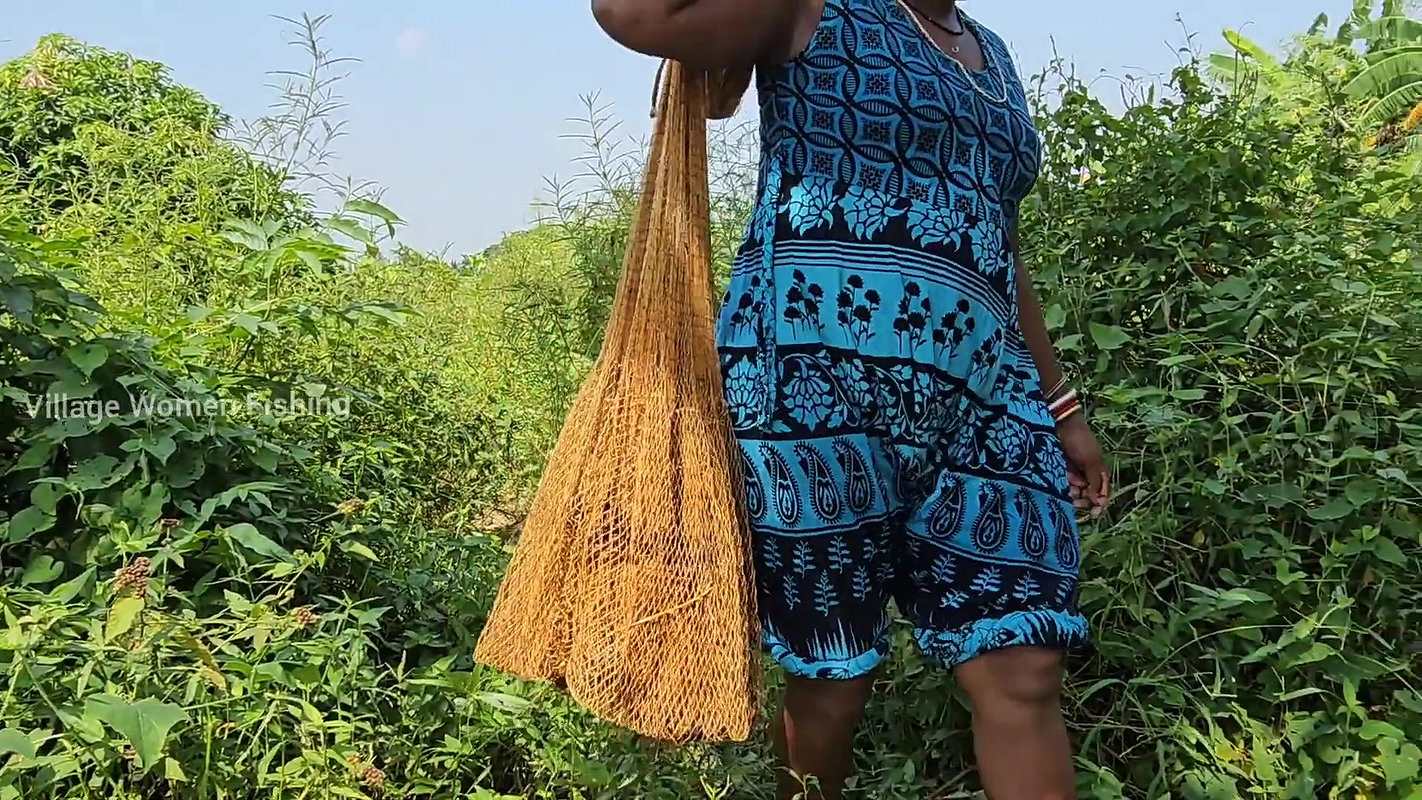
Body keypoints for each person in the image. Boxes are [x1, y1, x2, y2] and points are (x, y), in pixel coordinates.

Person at [591, 1, 1110, 798]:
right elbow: (634, 13)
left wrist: (1062, 405)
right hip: (816, 394)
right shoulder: (812, 5)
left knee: (1027, 666)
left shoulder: (994, 55)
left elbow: (997, 238)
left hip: (985, 395)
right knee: (832, 676)